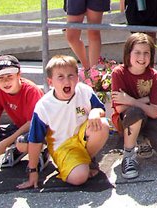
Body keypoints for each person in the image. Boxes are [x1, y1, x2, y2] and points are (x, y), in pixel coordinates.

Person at [17, 55, 109, 189]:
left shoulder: (84, 91)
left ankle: (87, 160)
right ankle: (73, 164)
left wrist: (96, 112)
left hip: (82, 136)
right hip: (63, 146)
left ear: (77, 77)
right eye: (60, 77)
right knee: (79, 178)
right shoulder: (44, 106)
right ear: (50, 82)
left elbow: (100, 108)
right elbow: (35, 140)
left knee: (102, 124)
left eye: (71, 75)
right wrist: (33, 171)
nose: (67, 80)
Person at [111, 33, 157, 180]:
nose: (142, 57)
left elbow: (154, 112)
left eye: (146, 53)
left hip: (148, 117)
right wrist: (145, 100)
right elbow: (120, 108)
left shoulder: (155, 76)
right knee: (134, 113)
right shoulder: (119, 73)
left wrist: (130, 100)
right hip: (127, 119)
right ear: (128, 53)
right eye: (137, 52)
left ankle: (143, 139)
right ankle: (129, 156)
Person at [0, 55, 46, 170]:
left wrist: (4, 143)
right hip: (20, 127)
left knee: (22, 143)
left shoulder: (31, 91)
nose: (6, 81)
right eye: (1, 78)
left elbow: (32, 123)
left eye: (9, 76)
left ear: (19, 74)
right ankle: (18, 149)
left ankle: (43, 151)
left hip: (41, 128)